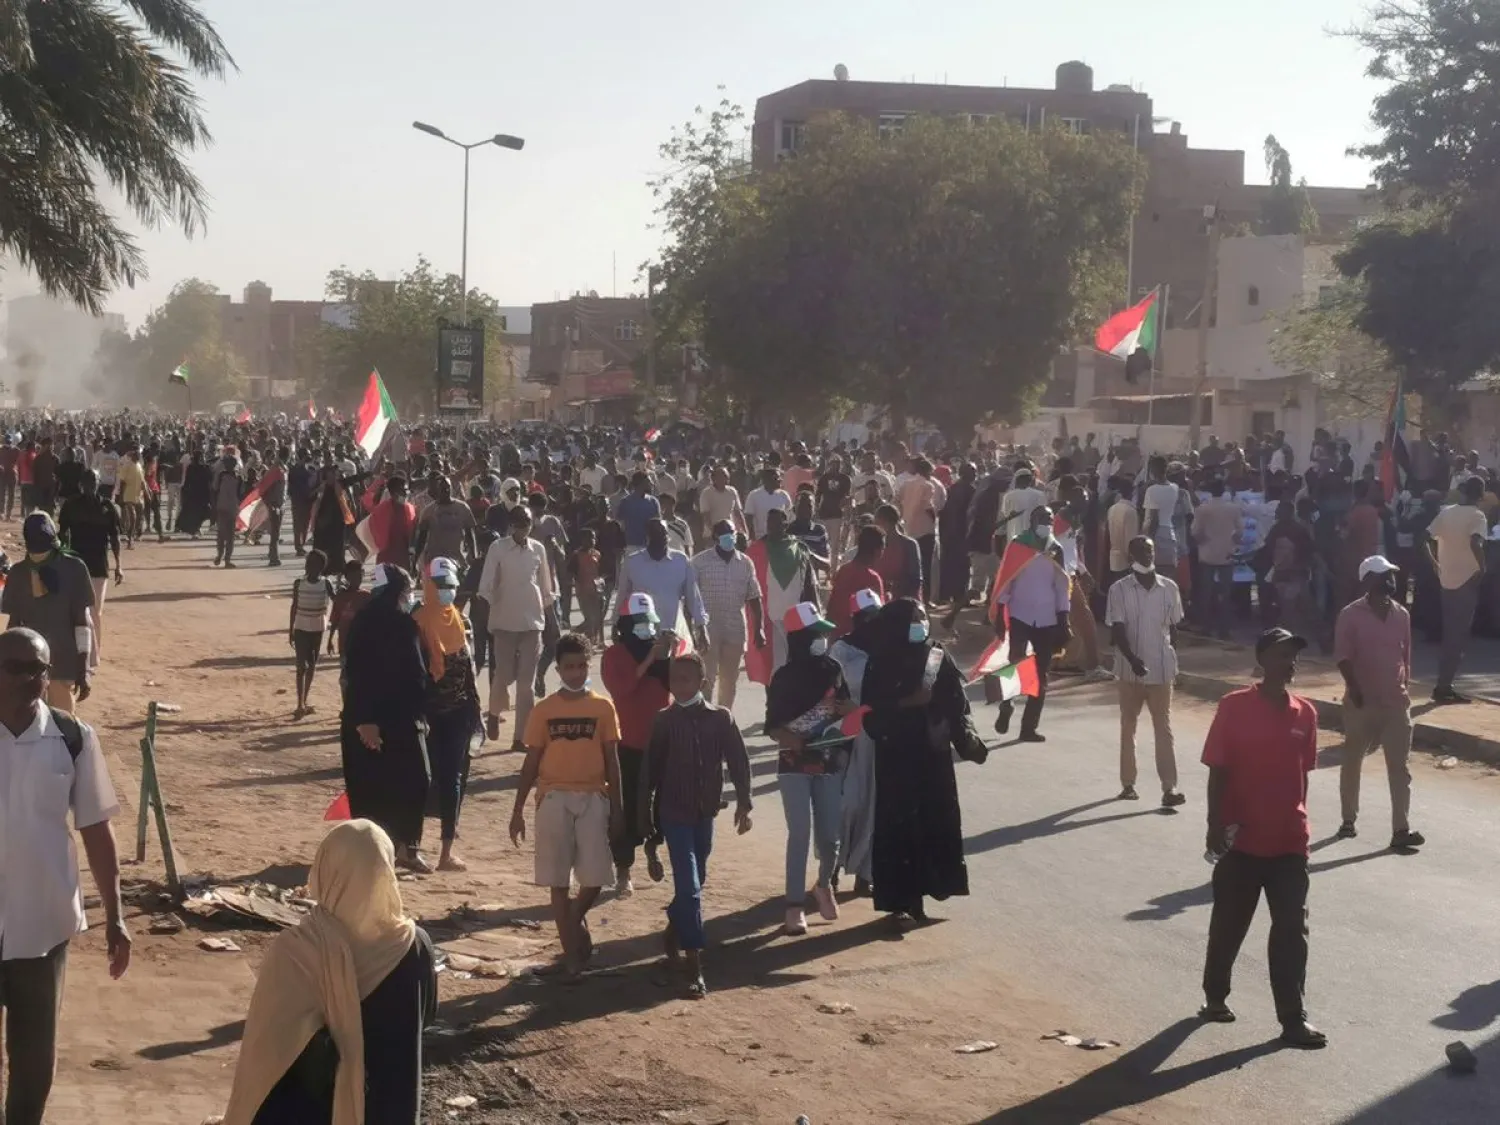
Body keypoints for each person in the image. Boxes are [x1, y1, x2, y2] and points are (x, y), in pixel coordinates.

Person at [222, 819, 436, 1125]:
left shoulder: (296, 950)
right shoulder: (414, 946)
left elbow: (264, 1052)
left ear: (324, 869)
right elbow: (427, 1015)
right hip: (391, 1107)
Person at [0, 626, 128, 1125]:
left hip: (43, 929)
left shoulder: (73, 738)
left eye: (39, 669)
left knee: (33, 1066)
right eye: (17, 668)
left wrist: (116, 916)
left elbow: (97, 830)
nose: (30, 679)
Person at [1200, 627, 1326, 1049]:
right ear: (1262, 660)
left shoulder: (1305, 713)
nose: (1289, 662)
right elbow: (1218, 768)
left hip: (1290, 840)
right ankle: (1215, 996)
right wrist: (1215, 823)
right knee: (1229, 925)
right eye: (1280, 654)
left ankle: (1293, 1019)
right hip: (1243, 840)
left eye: (1293, 655)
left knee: (1292, 929)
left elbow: (1302, 774)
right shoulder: (1234, 707)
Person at [511, 633, 624, 980]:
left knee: (596, 876)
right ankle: (571, 954)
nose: (575, 673)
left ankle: (572, 922)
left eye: (581, 666)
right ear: (557, 668)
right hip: (553, 797)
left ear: (588, 666)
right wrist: (517, 810)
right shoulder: (544, 710)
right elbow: (531, 761)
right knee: (556, 880)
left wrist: (618, 807)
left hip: (593, 795)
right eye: (568, 667)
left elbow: (612, 758)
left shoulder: (603, 707)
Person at [862, 598, 980, 924]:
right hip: (897, 759)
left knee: (932, 824)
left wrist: (968, 740)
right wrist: (907, 702)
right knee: (899, 829)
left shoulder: (937, 655)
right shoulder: (880, 662)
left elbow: (957, 701)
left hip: (932, 758)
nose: (921, 623)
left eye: (923, 617)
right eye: (914, 618)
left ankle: (925, 896)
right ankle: (900, 902)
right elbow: (871, 717)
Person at [644, 652, 753, 998]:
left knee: (697, 880)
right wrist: (644, 822)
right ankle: (695, 966)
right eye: (675, 680)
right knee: (690, 886)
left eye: (687, 680)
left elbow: (739, 761)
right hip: (673, 814)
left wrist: (745, 803)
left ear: (702, 683)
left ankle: (674, 928)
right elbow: (648, 773)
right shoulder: (664, 720)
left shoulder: (720, 719)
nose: (680, 685)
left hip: (704, 814)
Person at [340, 565, 433, 873]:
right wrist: (364, 720)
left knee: (416, 780)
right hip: (371, 720)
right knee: (373, 788)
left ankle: (406, 847)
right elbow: (356, 675)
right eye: (406, 591)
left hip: (405, 718)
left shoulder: (405, 624)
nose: (410, 597)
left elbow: (416, 674)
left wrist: (421, 714)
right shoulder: (367, 625)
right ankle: (374, 855)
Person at [765, 603, 851, 934]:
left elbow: (845, 708)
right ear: (799, 638)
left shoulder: (833, 668)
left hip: (831, 761)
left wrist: (851, 710)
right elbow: (773, 727)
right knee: (799, 833)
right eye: (816, 633)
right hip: (793, 763)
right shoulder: (783, 678)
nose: (822, 638)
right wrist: (789, 737)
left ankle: (823, 885)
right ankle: (794, 906)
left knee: (830, 837)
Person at [1334, 555, 1424, 850]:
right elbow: (1343, 656)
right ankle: (1349, 819)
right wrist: (1354, 687)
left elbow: (1405, 657)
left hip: (1395, 702)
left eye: (1391, 575)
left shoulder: (1402, 615)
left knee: (1400, 768)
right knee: (1352, 760)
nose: (1390, 581)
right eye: (1383, 575)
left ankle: (1401, 829)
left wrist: (1404, 688)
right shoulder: (1350, 614)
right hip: (1362, 701)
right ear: (1368, 581)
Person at [601, 593, 673, 897]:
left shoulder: (663, 655)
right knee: (627, 807)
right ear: (628, 624)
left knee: (666, 806)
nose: (646, 628)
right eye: (640, 623)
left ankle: (654, 846)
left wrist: (667, 657)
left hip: (661, 742)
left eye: (650, 623)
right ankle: (623, 871)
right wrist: (648, 660)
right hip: (628, 743)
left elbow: (682, 687)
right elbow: (623, 689)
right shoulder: (615, 655)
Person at [1106, 536, 1186, 807]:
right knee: (1129, 725)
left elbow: (1173, 628)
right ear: (1131, 557)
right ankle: (1128, 783)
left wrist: (1173, 658)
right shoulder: (1119, 590)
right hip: (1130, 672)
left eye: (1150, 550)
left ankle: (1170, 788)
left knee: (1163, 727)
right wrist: (1132, 659)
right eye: (1141, 551)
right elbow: (1118, 630)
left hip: (1162, 670)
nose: (1147, 555)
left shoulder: (1169, 588)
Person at [414, 558, 481, 873]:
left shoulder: (460, 621)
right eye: (441, 586)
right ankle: (409, 846)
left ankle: (445, 852)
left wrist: (476, 712)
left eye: (451, 586)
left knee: (453, 779)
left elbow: (469, 670)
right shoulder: (417, 621)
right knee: (419, 778)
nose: (447, 592)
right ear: (429, 586)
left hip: (457, 712)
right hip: (425, 715)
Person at [477, 504, 555, 748]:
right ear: (511, 525)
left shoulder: (538, 550)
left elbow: (546, 588)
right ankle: (493, 712)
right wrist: (482, 615)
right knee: (503, 675)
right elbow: (486, 585)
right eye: (519, 522)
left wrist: (551, 621)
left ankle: (521, 737)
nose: (524, 527)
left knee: (526, 684)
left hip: (532, 622)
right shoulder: (498, 549)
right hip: (503, 622)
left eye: (527, 522)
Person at [992, 506, 1071, 742]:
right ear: (1032, 520)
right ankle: (1007, 705)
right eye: (1042, 519)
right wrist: (999, 613)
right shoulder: (1018, 545)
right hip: (1020, 614)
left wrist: (1064, 617)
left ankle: (1029, 727)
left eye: (1049, 519)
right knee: (1014, 664)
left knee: (1041, 674)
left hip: (1047, 617)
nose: (1046, 523)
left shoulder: (1056, 549)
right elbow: (1007, 580)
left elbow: (1061, 585)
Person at [3, 513, 96, 711]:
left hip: (46, 661)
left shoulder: (21, 572)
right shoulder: (73, 568)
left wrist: (84, 667)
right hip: (41, 661)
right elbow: (83, 622)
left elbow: (83, 622)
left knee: (53, 719)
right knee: (49, 720)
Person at [830, 589, 884, 896]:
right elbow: (829, 691)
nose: (872, 623)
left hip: (875, 734)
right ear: (856, 619)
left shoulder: (888, 650)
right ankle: (831, 869)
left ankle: (866, 874)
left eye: (876, 616)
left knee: (872, 805)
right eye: (867, 617)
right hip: (846, 737)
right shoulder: (841, 650)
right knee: (845, 805)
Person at [690, 519, 766, 709]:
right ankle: (703, 716)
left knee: (729, 680)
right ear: (715, 537)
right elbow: (690, 598)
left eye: (731, 532)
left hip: (735, 628)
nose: (729, 537)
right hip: (708, 627)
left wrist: (759, 628)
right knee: (706, 677)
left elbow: (754, 597)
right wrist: (695, 629)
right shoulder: (699, 562)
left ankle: (724, 718)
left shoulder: (745, 562)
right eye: (724, 533)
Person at [1425, 476, 1488, 703]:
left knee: (1452, 635)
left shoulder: (1447, 512)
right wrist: (1483, 567)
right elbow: (1475, 542)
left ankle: (1444, 684)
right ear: (1480, 494)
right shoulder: (1478, 516)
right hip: (1466, 581)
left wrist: (1434, 561)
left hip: (1446, 580)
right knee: (1457, 638)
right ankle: (1443, 687)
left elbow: (1426, 537)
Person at [57, 470, 121, 673]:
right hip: (75, 564)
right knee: (76, 611)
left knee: (94, 611)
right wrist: (60, 557)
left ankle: (93, 658)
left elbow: (115, 537)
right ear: (81, 484)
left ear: (98, 482)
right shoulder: (71, 506)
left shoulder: (108, 507)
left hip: (99, 566)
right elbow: (61, 534)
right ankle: (79, 652)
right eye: (86, 481)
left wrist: (119, 565)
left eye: (93, 480)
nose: (90, 485)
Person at [616, 517, 708, 647]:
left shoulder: (681, 560)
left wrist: (701, 628)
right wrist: (616, 623)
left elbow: (693, 597)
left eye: (663, 533)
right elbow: (622, 595)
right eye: (655, 533)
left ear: (667, 535)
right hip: (641, 634)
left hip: (674, 631)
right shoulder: (632, 562)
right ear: (648, 536)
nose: (660, 537)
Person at [1193, 478, 1242, 638]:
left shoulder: (1202, 509)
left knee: (1206, 592)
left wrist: (1204, 542)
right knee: (1225, 593)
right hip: (1227, 553)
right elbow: (1239, 532)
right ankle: (1224, 629)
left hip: (1207, 554)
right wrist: (1231, 543)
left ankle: (1206, 627)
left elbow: (1196, 533)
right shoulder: (1233, 509)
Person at [288, 549, 335, 718]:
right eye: (310, 564)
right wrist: (290, 629)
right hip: (300, 627)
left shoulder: (326, 583)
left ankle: (304, 699)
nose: (312, 567)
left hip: (317, 628)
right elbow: (294, 606)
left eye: (316, 565)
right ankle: (300, 702)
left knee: (312, 663)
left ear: (322, 567)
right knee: (301, 666)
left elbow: (337, 601)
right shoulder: (298, 583)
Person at [828, 524, 886, 635]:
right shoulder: (873, 579)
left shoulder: (843, 571)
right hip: (861, 640)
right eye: (883, 548)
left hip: (838, 638)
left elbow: (831, 607)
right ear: (877, 551)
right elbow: (878, 618)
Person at [412, 474, 477, 571]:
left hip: (456, 561)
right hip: (434, 562)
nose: (446, 491)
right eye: (443, 488)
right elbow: (421, 539)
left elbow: (470, 534)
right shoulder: (428, 511)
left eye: (448, 487)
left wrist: (474, 557)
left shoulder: (462, 508)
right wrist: (415, 562)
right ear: (437, 490)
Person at [873, 503, 922, 602]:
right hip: (881, 599)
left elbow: (915, 579)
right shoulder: (876, 545)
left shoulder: (909, 544)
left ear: (886, 523)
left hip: (905, 601)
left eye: (877, 523)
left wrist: (895, 588)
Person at [369, 474, 417, 569]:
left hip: (403, 560)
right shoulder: (380, 511)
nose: (406, 493)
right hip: (385, 559)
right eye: (403, 490)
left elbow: (412, 535)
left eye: (406, 490)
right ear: (394, 492)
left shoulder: (410, 509)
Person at [744, 467, 792, 541]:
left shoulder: (784, 495)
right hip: (760, 539)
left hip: (780, 539)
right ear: (767, 480)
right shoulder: (754, 495)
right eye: (776, 478)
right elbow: (748, 518)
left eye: (780, 477)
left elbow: (790, 517)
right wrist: (751, 537)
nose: (780, 480)